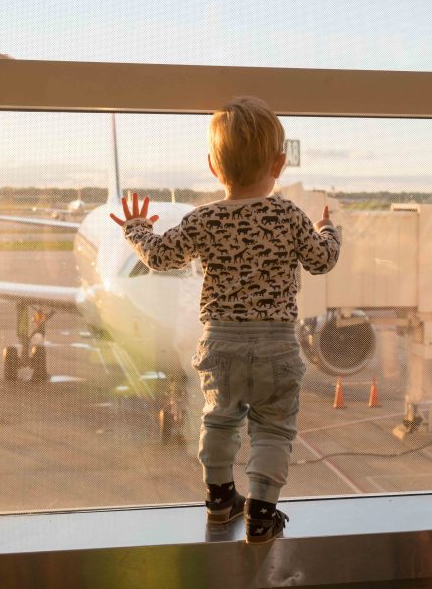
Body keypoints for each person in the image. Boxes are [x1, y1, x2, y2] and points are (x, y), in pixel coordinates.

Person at [111, 96, 340, 545]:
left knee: (219, 420)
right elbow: (322, 261)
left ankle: (219, 500)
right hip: (276, 344)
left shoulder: (206, 219)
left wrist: (136, 228)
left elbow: (159, 255)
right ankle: (261, 512)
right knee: (273, 428)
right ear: (278, 164)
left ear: (214, 168)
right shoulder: (289, 215)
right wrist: (328, 230)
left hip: (222, 343)